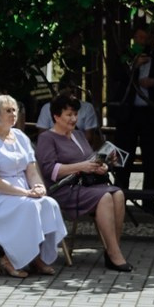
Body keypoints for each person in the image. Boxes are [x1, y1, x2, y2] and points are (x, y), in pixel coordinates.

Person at [35, 95, 133, 272]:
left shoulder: (79, 135)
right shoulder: (47, 138)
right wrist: (83, 166)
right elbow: (50, 170)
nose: (74, 119)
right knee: (104, 197)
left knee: (118, 194)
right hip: (64, 189)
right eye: (69, 114)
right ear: (56, 117)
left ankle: (112, 249)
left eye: (75, 114)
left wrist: (100, 165)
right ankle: (114, 254)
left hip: (86, 186)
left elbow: (88, 160)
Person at [0, 94, 66, 277]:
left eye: (15, 110)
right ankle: (10, 259)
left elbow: (31, 171)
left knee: (49, 203)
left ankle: (35, 256)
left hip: (23, 192)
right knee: (30, 207)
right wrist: (24, 192)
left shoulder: (20, 137)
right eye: (8, 110)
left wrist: (39, 187)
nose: (13, 114)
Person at [114, 25, 154, 213]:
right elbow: (116, 78)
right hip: (128, 115)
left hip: (151, 115)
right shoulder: (125, 59)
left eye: (146, 38)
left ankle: (150, 203)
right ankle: (119, 201)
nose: (143, 41)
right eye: (139, 37)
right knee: (123, 158)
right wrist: (133, 67)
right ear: (134, 39)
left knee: (152, 159)